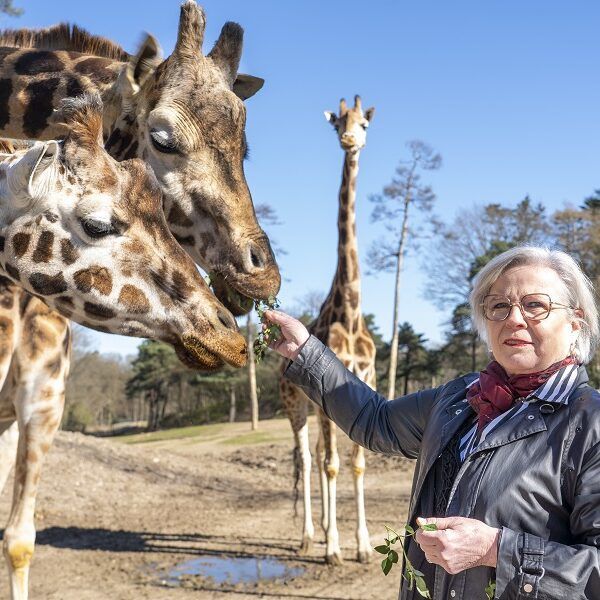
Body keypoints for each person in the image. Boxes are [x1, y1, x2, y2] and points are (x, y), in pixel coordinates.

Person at [265, 246, 600, 600]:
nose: (514, 319)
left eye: (535, 305)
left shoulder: (590, 424)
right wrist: (305, 352)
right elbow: (374, 420)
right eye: (499, 306)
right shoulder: (458, 399)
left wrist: (497, 550)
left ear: (575, 322)